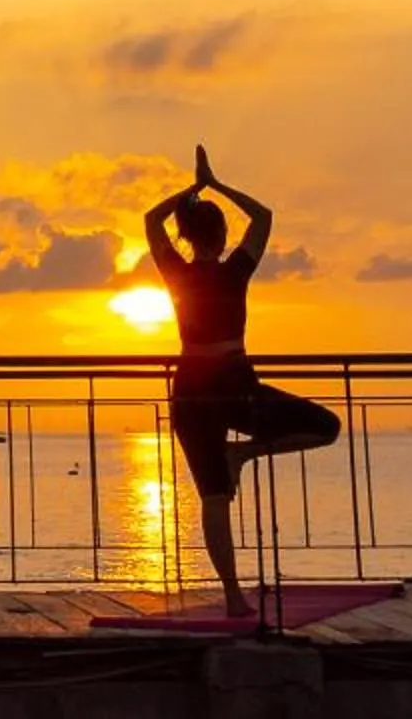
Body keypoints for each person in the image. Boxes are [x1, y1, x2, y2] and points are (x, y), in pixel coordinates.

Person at [144, 143, 341, 618]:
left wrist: (189, 191)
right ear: (222, 233)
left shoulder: (176, 272)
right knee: (325, 426)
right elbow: (265, 216)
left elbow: (151, 220)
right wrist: (214, 185)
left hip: (193, 390)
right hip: (233, 385)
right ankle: (246, 453)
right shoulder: (235, 270)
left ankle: (233, 595)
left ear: (188, 235)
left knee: (214, 497)